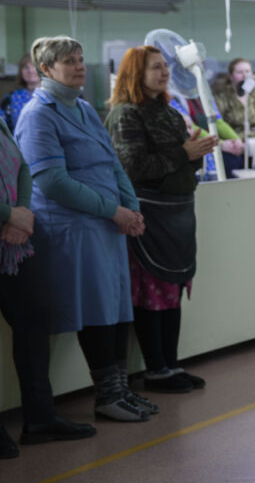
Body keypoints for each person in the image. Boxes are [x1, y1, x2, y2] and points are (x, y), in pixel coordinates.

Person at [15, 36, 157, 421]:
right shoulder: (38, 115)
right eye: (69, 61)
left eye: (81, 59)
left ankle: (120, 390)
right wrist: (113, 211)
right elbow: (52, 181)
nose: (79, 66)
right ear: (46, 69)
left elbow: (112, 163)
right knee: (94, 309)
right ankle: (107, 396)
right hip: (72, 226)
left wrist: (131, 206)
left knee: (115, 306)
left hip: (108, 223)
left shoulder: (83, 108)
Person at [105, 45, 217, 393]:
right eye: (155, 67)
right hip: (149, 216)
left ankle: (172, 364)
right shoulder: (125, 114)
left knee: (173, 290)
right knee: (152, 294)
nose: (164, 72)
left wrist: (196, 153)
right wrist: (183, 152)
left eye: (164, 66)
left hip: (178, 214)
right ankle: (156, 370)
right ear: (135, 73)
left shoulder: (170, 113)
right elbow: (132, 168)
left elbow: (181, 162)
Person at [1, 116, 96, 458]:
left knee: (35, 320)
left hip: (16, 238)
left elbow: (22, 166)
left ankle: (40, 417)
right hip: (9, 223)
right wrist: (7, 214)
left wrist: (21, 213)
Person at [213, 57, 255, 135]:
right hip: (234, 140)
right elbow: (218, 124)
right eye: (240, 72)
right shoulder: (221, 97)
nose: (244, 75)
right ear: (231, 76)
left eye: (247, 71)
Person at [2, 53, 41, 131]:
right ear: (21, 72)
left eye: (34, 66)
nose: (30, 71)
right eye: (26, 67)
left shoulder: (54, 97)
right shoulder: (9, 98)